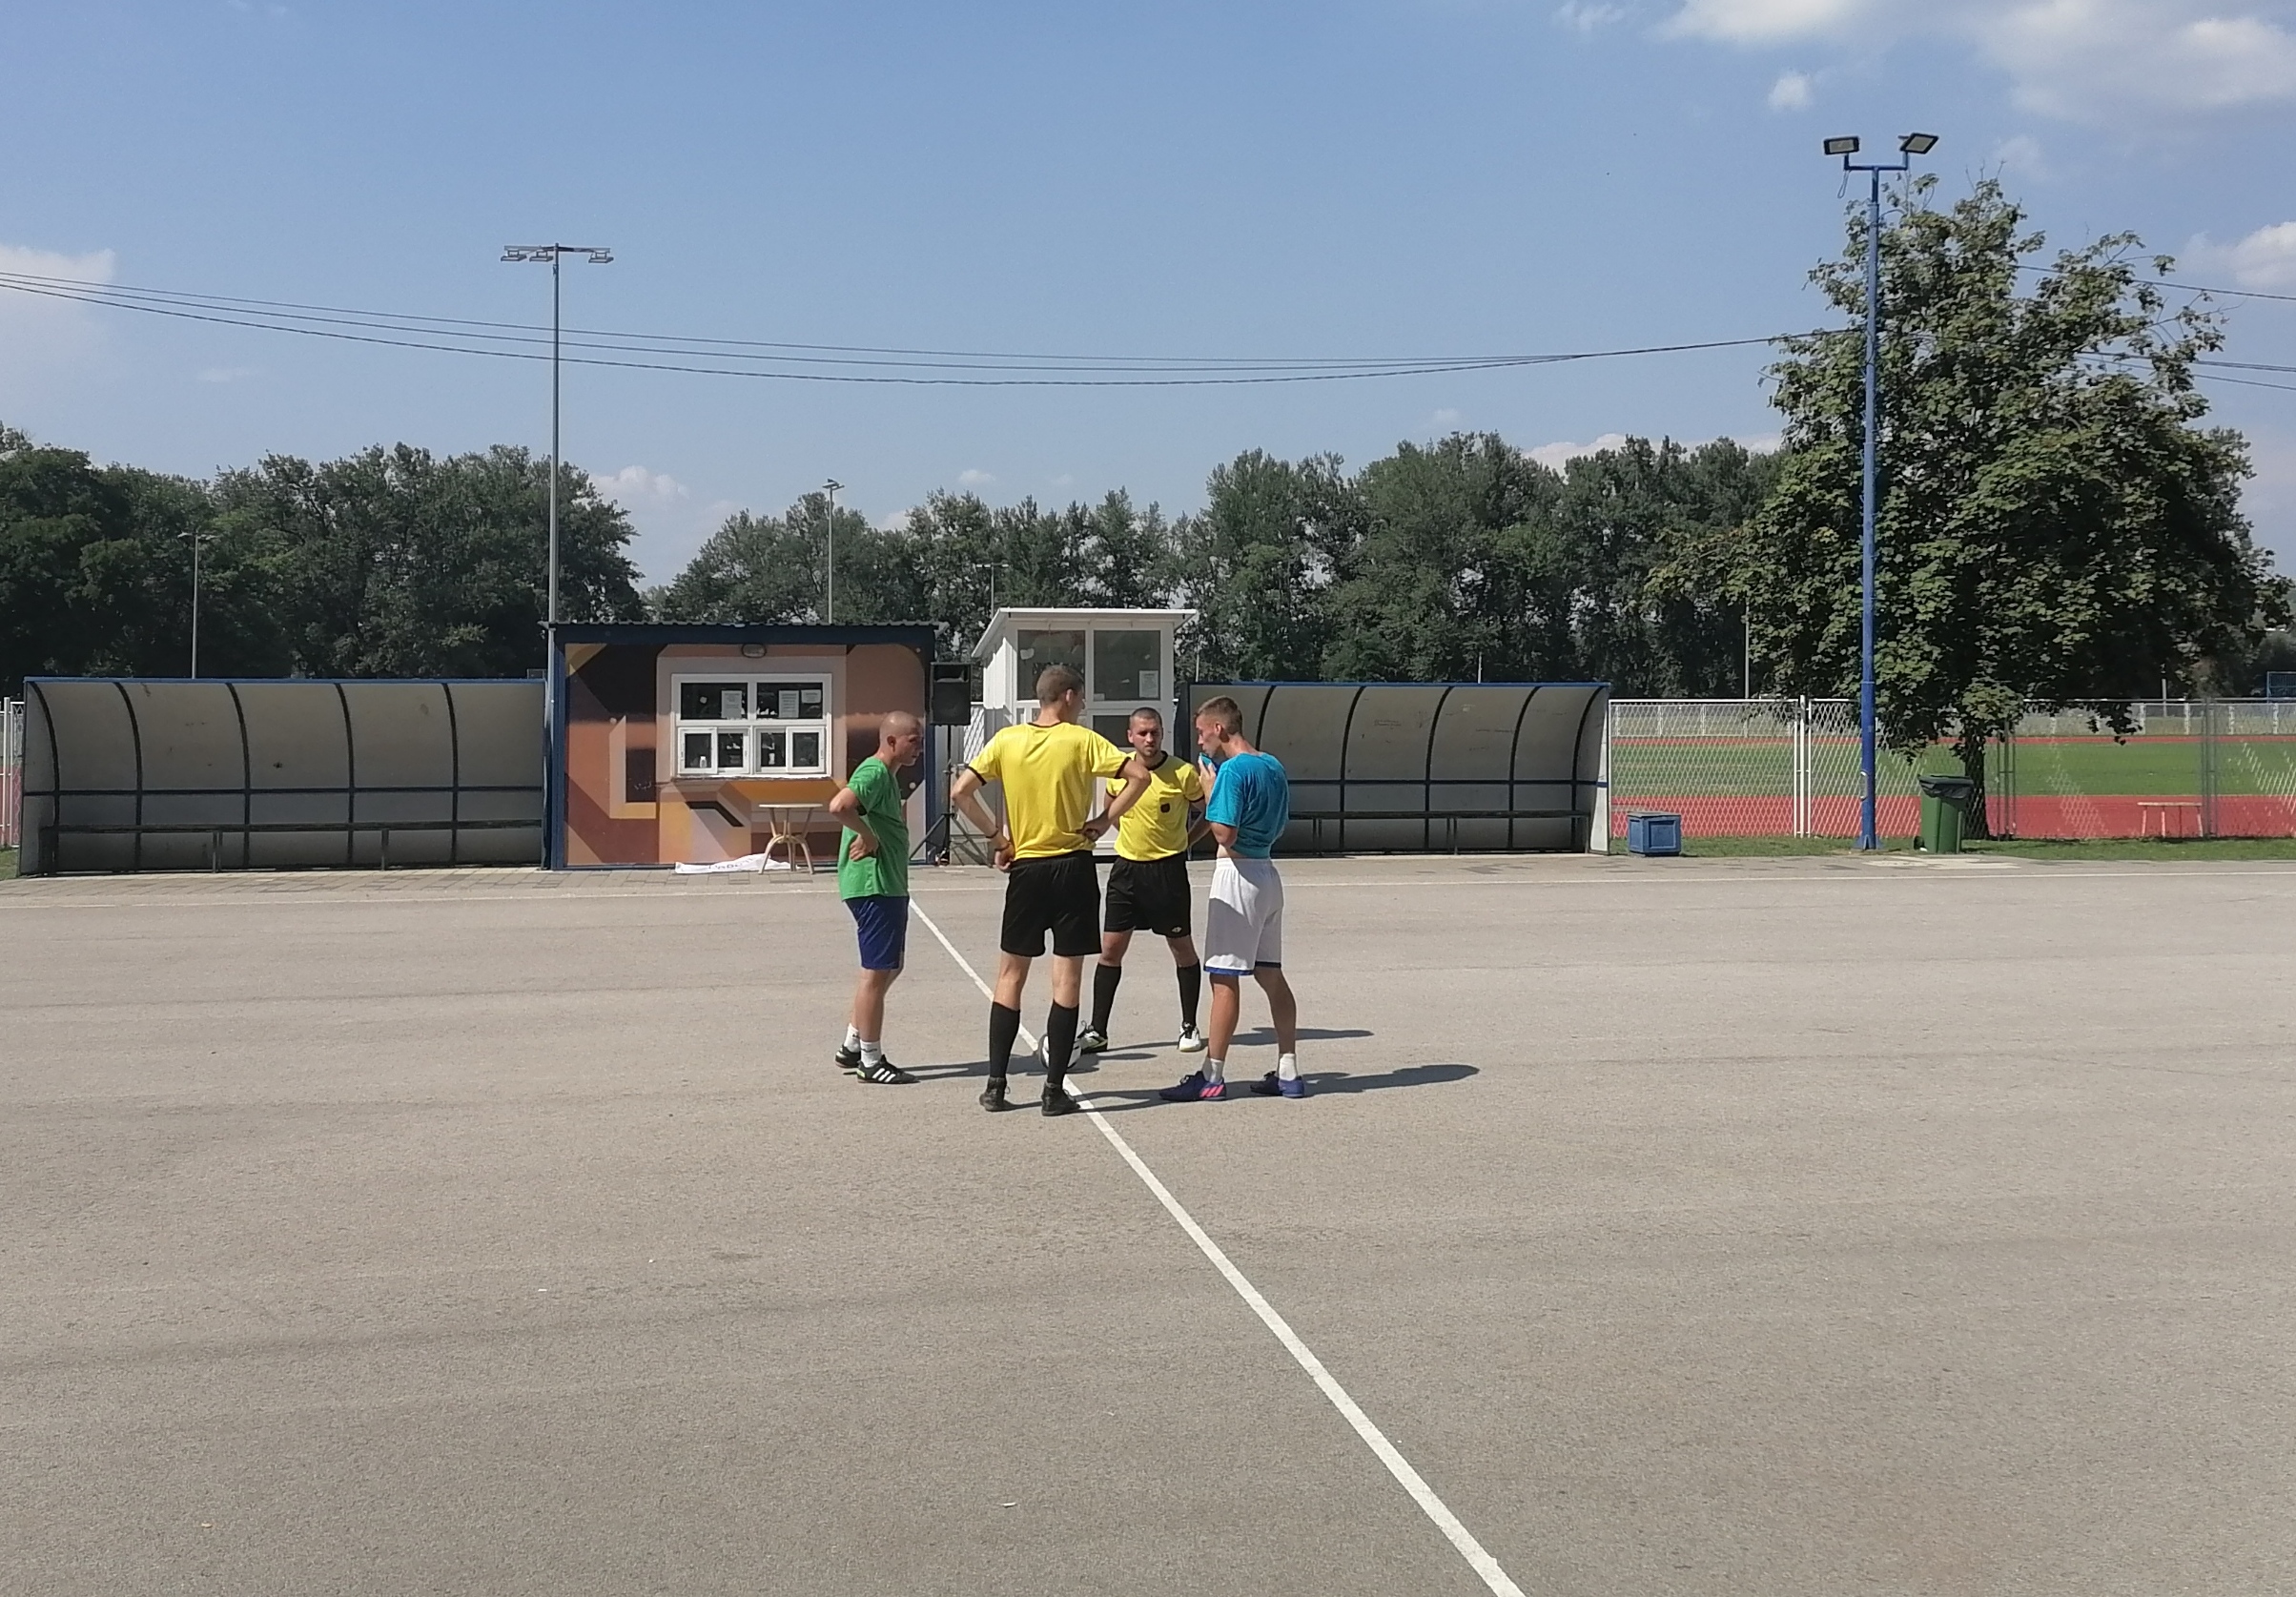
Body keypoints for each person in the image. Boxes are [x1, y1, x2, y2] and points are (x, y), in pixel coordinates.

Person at [951, 665, 1153, 1116]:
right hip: (1072, 867)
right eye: (1081, 698)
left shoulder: (1007, 741)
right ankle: (1053, 1089)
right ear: (1068, 696)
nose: (1082, 706)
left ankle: (996, 1084)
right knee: (1066, 980)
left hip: (1027, 868)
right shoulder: (1081, 741)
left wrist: (998, 838)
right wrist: (1104, 820)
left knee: (1010, 976)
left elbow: (961, 791)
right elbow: (1139, 776)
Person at [1161, 695, 1302, 1102]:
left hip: (1237, 876)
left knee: (1223, 978)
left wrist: (1210, 791)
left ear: (1219, 729)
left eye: (1201, 732)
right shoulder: (1272, 765)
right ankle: (1288, 1069)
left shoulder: (1233, 771)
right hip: (1268, 874)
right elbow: (1279, 821)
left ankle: (1212, 1075)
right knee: (1270, 974)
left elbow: (1224, 831)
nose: (1200, 741)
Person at [1077, 706, 1209, 1057]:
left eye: (1155, 732)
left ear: (1162, 733)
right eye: (1143, 733)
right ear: (1130, 736)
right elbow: (1112, 811)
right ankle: (1098, 1030)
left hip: (1168, 873)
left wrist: (1186, 841)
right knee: (1109, 951)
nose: (1149, 739)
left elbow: (1209, 811)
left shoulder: (1182, 773)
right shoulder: (1120, 774)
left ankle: (1189, 1025)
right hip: (1127, 872)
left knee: (1181, 949)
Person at [827, 712, 925, 1086]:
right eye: (913, 741)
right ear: (891, 741)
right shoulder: (874, 772)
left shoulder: (887, 776)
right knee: (876, 972)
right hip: (875, 885)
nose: (918, 748)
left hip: (888, 885)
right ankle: (870, 1058)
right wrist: (868, 836)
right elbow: (840, 806)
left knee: (890, 966)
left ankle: (853, 1042)